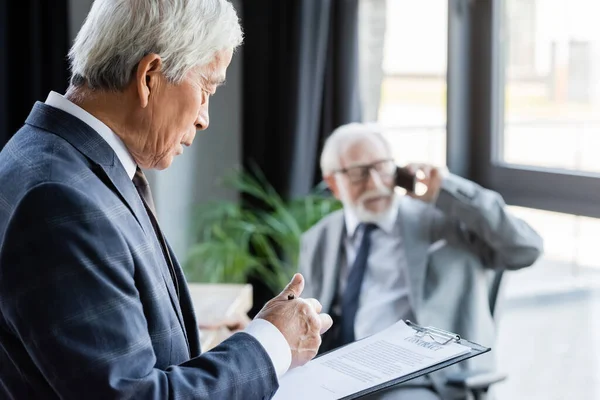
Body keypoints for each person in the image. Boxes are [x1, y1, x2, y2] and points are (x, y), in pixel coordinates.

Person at [0, 1, 332, 399]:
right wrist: (271, 342)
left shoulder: (62, 161)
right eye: (207, 88)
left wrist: (256, 341)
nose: (204, 117)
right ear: (150, 76)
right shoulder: (60, 198)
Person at [298, 123, 544, 399]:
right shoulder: (319, 239)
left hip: (422, 377)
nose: (376, 184)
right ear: (333, 183)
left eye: (381, 167)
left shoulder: (444, 221)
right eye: (358, 174)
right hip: (340, 371)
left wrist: (447, 190)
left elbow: (527, 248)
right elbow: (308, 319)